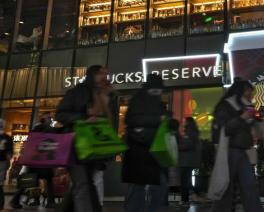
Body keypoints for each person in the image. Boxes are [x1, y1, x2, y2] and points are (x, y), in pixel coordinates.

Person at [56, 65, 117, 212]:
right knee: (83, 183)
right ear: (92, 75)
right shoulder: (77, 92)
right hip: (77, 144)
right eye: (101, 73)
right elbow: (60, 114)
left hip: (96, 145)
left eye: (106, 73)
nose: (104, 76)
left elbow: (111, 121)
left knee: (84, 183)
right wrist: (83, 118)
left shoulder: (108, 94)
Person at [122, 74, 177, 212]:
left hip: (152, 152)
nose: (159, 92)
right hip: (140, 151)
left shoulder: (151, 101)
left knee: (153, 187)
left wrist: (169, 122)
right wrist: (160, 119)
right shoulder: (140, 100)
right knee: (140, 188)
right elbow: (132, 120)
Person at [211, 80, 263, 212]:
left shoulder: (244, 106)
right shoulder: (226, 105)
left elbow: (252, 130)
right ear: (240, 90)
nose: (251, 94)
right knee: (226, 185)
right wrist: (243, 117)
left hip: (242, 150)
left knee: (249, 184)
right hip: (229, 150)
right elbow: (226, 128)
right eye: (248, 91)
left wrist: (257, 119)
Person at [10, 114, 56, 209]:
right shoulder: (45, 128)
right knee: (48, 181)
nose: (51, 120)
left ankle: (15, 200)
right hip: (42, 161)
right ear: (44, 119)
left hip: (35, 160)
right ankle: (50, 202)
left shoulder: (35, 130)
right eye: (49, 118)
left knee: (28, 181)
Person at [177, 117, 202, 207]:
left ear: (188, 123)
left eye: (184, 121)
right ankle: (192, 196)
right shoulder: (194, 133)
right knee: (190, 179)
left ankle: (185, 200)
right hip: (192, 162)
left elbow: (186, 145)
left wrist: (177, 145)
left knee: (184, 181)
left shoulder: (189, 132)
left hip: (186, 161)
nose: (183, 123)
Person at [0, 119, 13, 210]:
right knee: (0, 184)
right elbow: (9, 154)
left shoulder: (7, 138)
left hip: (2, 162)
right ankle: (0, 204)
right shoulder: (8, 138)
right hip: (3, 162)